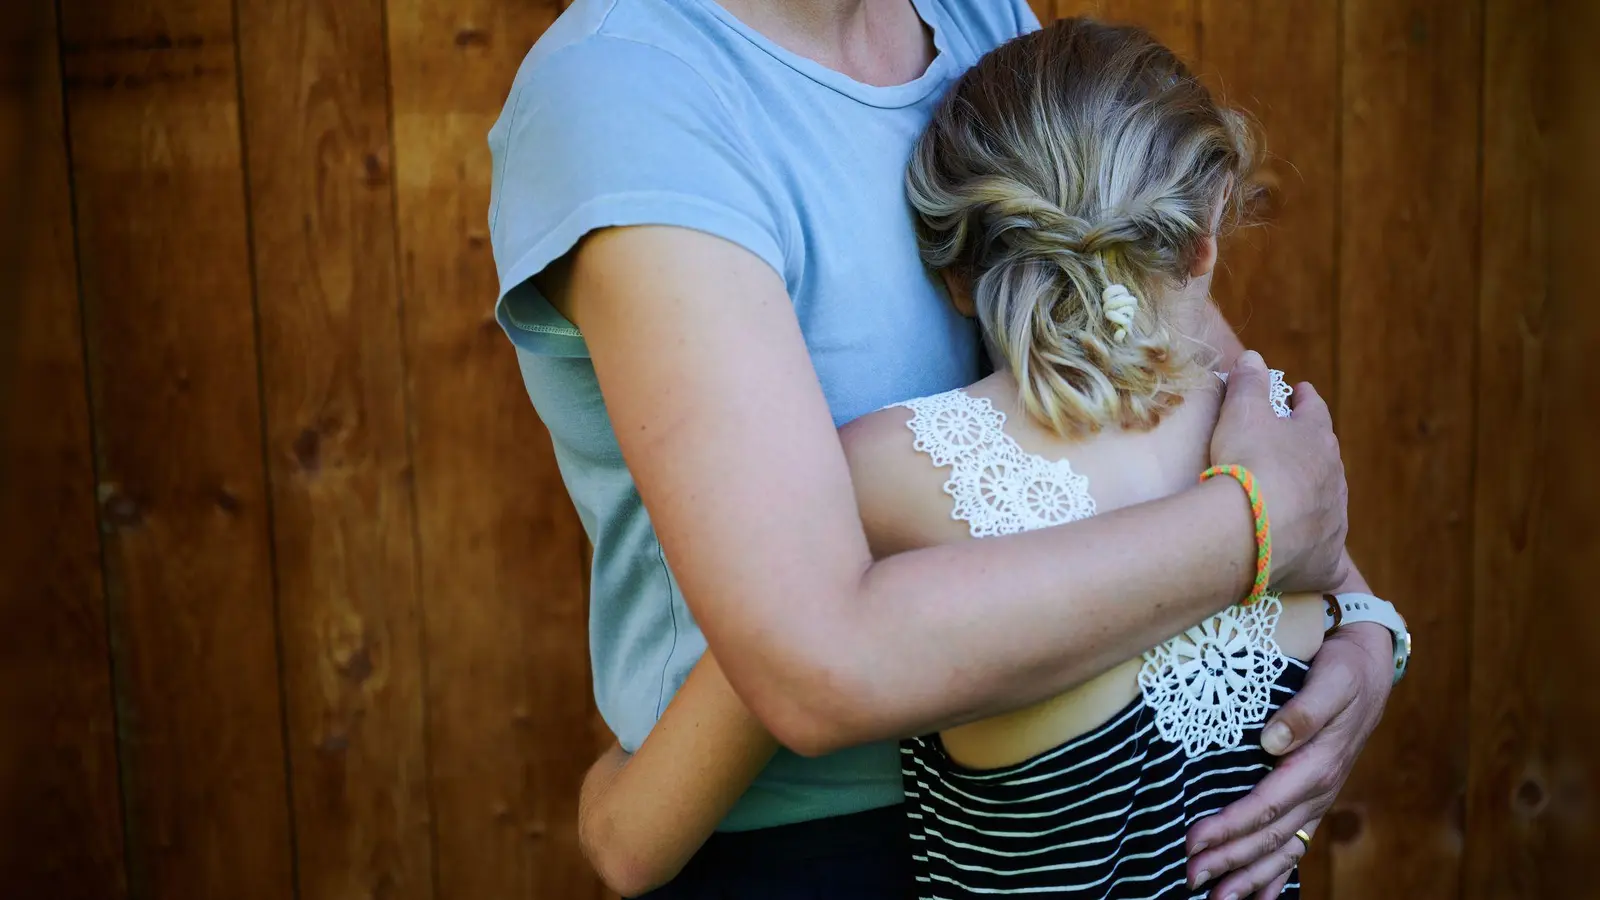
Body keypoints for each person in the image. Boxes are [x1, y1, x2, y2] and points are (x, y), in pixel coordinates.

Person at [486, 1, 1403, 898]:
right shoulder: (630, 95)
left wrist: (1363, 630)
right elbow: (815, 666)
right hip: (810, 846)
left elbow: (1190, 367)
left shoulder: (975, 14)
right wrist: (1259, 528)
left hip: (1111, 797)